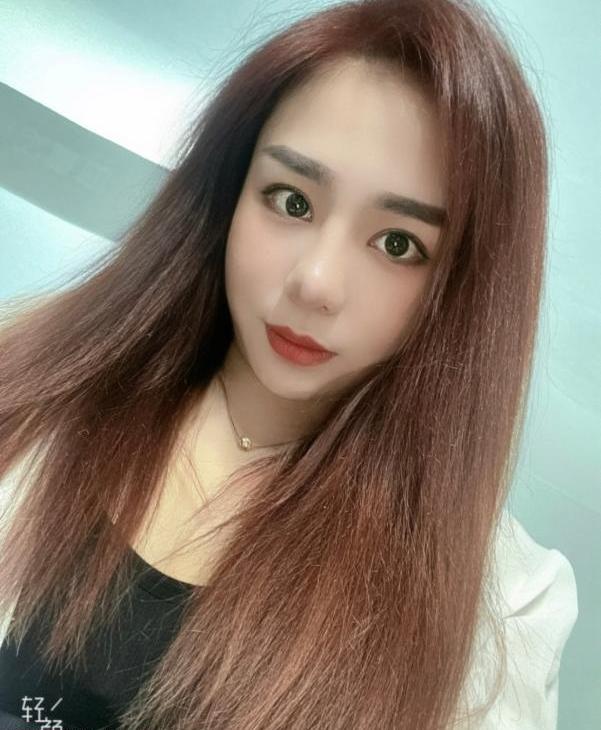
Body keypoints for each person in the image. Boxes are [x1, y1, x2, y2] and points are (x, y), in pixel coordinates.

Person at [0, 0, 578, 728]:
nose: (316, 283)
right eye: (292, 201)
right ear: (230, 191)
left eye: (398, 244)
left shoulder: (501, 609)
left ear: (459, 289)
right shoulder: (34, 382)